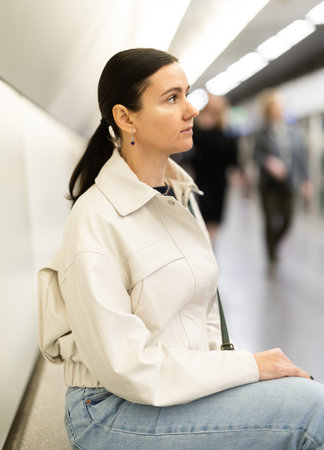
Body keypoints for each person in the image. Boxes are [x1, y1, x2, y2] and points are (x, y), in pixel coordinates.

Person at [38, 48, 324, 449]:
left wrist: (232, 374)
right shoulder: (96, 221)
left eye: (187, 94)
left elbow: (205, 310)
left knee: (302, 394)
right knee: (312, 413)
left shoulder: (181, 195)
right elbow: (127, 367)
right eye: (172, 98)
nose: (191, 109)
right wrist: (248, 368)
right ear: (125, 117)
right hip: (109, 409)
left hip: (177, 386)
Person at [253, 89, 313, 272]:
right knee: (271, 220)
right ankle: (271, 256)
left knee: (288, 220)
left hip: (289, 184)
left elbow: (301, 156)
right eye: (276, 106)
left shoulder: (294, 131)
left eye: (281, 105)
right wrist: (268, 162)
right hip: (269, 186)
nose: (279, 109)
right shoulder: (262, 132)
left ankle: (274, 245)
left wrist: (306, 180)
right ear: (269, 109)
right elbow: (256, 155)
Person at [191, 94, 240, 243]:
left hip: (219, 179)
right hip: (202, 178)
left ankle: (211, 243)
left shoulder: (226, 129)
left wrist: (237, 172)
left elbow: (232, 154)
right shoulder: (198, 125)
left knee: (217, 216)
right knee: (204, 213)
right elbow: (192, 149)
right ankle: (206, 241)